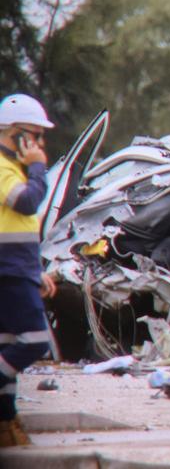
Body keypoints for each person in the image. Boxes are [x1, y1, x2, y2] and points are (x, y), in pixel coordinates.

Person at [0, 93, 57, 446]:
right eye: (33, 135)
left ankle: (6, 423)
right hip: (6, 272)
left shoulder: (14, 170)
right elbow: (26, 202)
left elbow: (19, 229)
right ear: (14, 133)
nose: (38, 144)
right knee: (36, 341)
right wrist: (38, 166)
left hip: (16, 269)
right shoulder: (4, 169)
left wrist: (36, 271)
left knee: (7, 343)